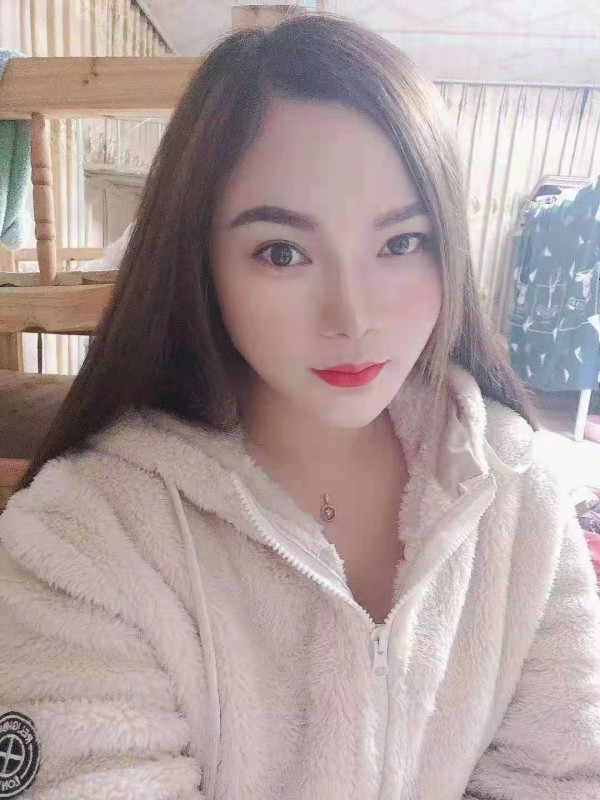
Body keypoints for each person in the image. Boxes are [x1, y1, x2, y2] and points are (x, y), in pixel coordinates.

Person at [1, 13, 599, 800]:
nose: (352, 317)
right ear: (200, 261)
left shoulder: (521, 494)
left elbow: (565, 773)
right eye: (282, 252)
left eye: (401, 243)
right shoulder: (85, 535)